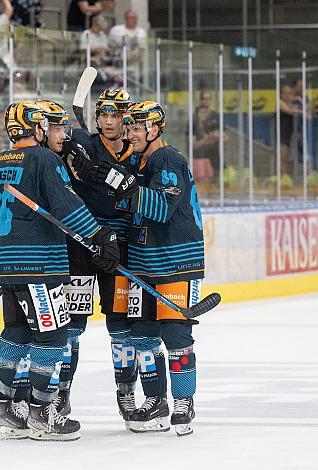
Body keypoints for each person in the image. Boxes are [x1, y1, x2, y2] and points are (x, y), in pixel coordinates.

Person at [0, 100, 119, 441]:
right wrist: (100, 235)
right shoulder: (44, 159)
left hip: (9, 266)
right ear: (37, 128)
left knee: (16, 332)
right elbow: (66, 204)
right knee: (54, 335)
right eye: (46, 125)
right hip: (41, 265)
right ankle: (43, 414)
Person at [87, 101, 205, 436]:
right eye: (130, 128)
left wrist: (124, 184)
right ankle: (157, 401)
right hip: (141, 262)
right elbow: (128, 203)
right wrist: (108, 182)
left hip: (174, 262)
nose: (131, 134)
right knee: (142, 336)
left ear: (154, 129)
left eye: (137, 128)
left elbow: (163, 207)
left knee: (175, 335)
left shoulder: (168, 159)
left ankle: (184, 402)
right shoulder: (142, 161)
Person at [56, 89, 140, 426]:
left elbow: (134, 193)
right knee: (72, 326)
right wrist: (73, 152)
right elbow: (63, 139)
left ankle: (127, 393)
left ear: (125, 119)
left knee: (120, 327)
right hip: (80, 243)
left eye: (115, 115)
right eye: (103, 114)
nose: (108, 121)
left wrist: (106, 173)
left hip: (117, 248)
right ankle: (60, 393)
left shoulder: (137, 156)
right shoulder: (85, 142)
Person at [192, 90, 222, 182]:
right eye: (205, 98)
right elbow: (194, 144)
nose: (207, 100)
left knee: (212, 183)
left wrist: (214, 137)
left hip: (213, 156)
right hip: (200, 158)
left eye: (209, 98)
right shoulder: (194, 123)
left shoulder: (214, 119)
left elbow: (221, 134)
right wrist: (206, 139)